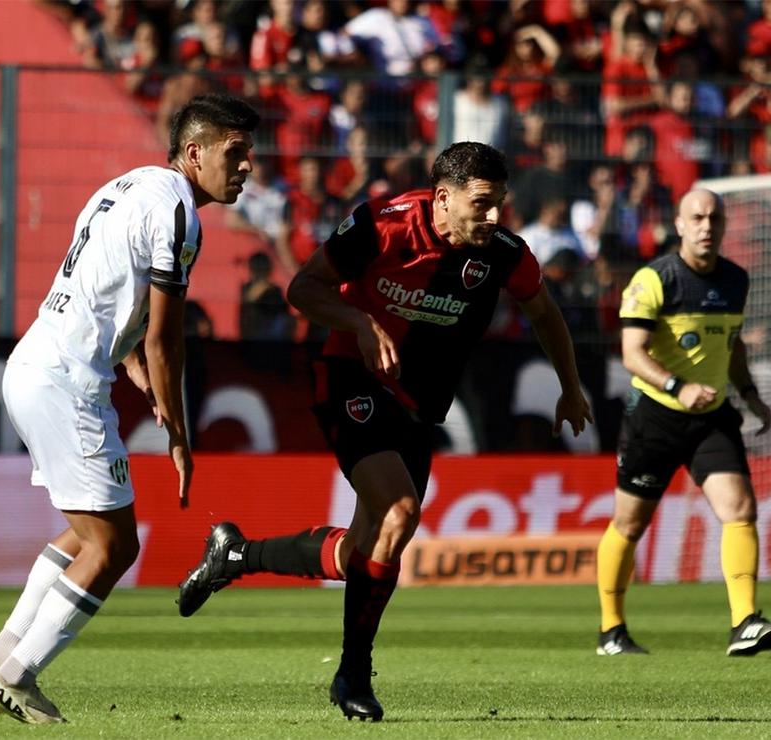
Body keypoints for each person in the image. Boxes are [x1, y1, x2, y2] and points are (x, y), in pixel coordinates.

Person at [176, 142, 592, 721]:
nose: (494, 217)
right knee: (399, 511)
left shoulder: (500, 253)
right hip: (350, 376)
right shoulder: (383, 225)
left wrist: (571, 387)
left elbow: (545, 313)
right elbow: (304, 288)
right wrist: (361, 323)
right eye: (482, 204)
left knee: (363, 551)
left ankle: (236, 554)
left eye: (500, 204)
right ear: (443, 198)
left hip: (419, 405)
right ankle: (353, 675)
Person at [0, 94, 259, 725]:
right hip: (66, 384)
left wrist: (130, 368)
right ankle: (18, 676)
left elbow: (102, 294)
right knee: (115, 546)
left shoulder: (124, 186)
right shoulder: (181, 212)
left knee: (87, 530)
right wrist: (180, 431)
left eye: (248, 156)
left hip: (35, 363)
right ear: (194, 153)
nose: (245, 168)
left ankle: (0, 654)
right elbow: (164, 338)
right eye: (234, 155)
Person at [596, 189, 771, 658]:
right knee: (629, 523)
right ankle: (611, 630)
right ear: (679, 225)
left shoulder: (735, 280)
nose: (706, 226)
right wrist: (677, 386)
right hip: (655, 419)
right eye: (697, 218)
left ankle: (744, 621)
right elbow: (632, 354)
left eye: (714, 218)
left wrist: (748, 395)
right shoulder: (654, 279)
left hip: (711, 418)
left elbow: (734, 345)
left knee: (741, 508)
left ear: (724, 227)